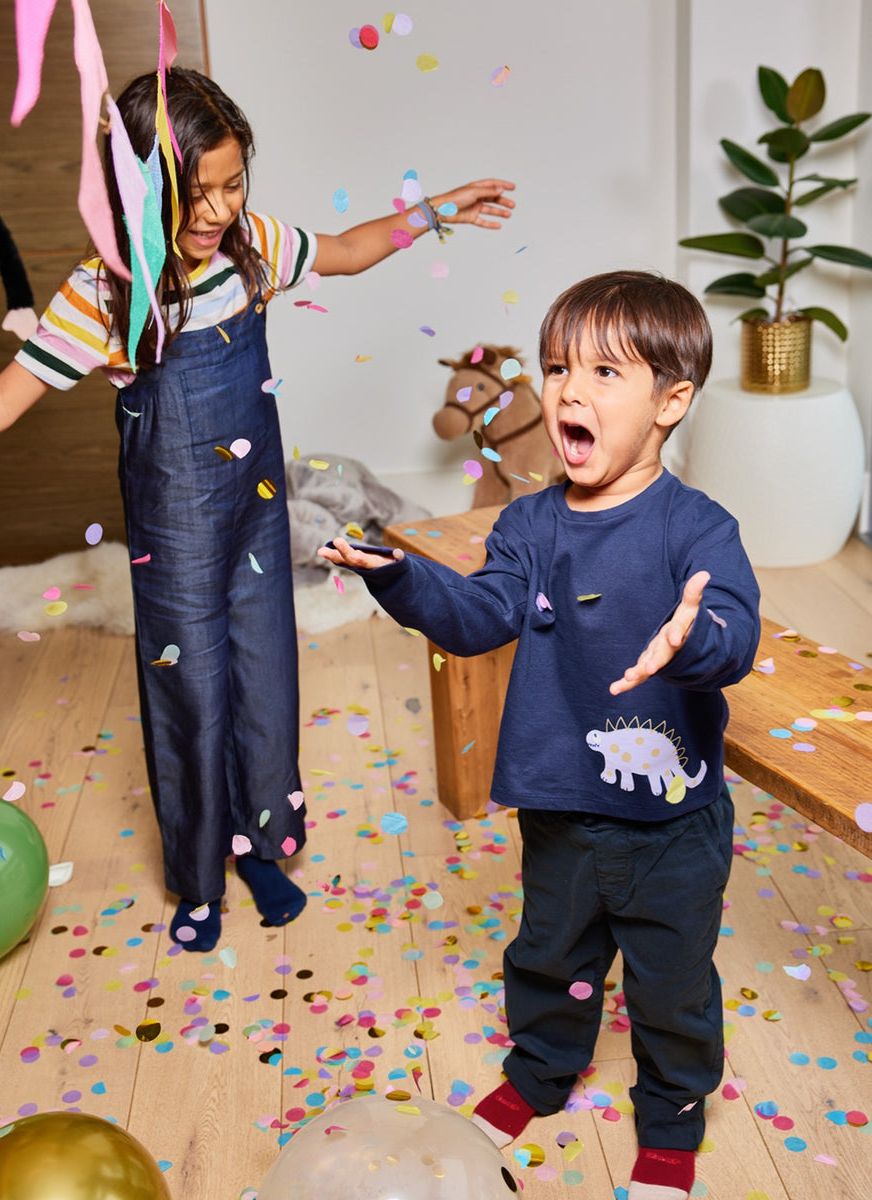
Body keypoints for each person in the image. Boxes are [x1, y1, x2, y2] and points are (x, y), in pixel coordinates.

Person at [0, 66, 515, 954]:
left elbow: (345, 246)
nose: (220, 208)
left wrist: (434, 209)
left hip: (256, 513)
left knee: (263, 674)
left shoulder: (250, 249)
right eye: (199, 193)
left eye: (233, 184)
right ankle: (196, 877)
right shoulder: (106, 294)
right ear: (140, 192)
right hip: (173, 532)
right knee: (192, 686)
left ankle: (262, 845)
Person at [320, 270, 761, 1200]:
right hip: (560, 800)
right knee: (550, 955)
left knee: (670, 980)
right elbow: (480, 613)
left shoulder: (698, 527)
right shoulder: (529, 522)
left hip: (674, 823)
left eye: (606, 372)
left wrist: (696, 638)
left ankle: (673, 1116)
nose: (570, 389)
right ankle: (539, 1073)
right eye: (559, 366)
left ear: (671, 400)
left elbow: (732, 630)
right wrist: (398, 577)